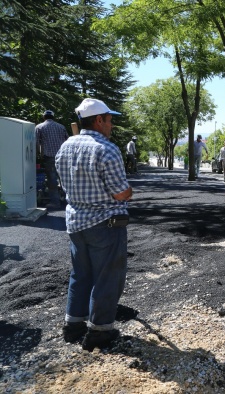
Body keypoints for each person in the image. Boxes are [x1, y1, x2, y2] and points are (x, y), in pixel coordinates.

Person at [55, 98, 133, 351]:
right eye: (110, 120)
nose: (111, 125)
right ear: (99, 120)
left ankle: (73, 326)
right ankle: (99, 332)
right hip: (105, 223)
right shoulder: (106, 148)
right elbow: (121, 193)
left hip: (76, 222)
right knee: (107, 278)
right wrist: (129, 192)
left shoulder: (65, 147)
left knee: (80, 275)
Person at [35, 110, 69, 208]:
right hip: (63, 157)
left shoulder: (39, 127)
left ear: (44, 117)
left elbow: (37, 142)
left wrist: (38, 154)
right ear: (53, 117)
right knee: (64, 179)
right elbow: (68, 140)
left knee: (52, 180)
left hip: (49, 157)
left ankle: (55, 202)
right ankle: (68, 200)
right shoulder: (61, 127)